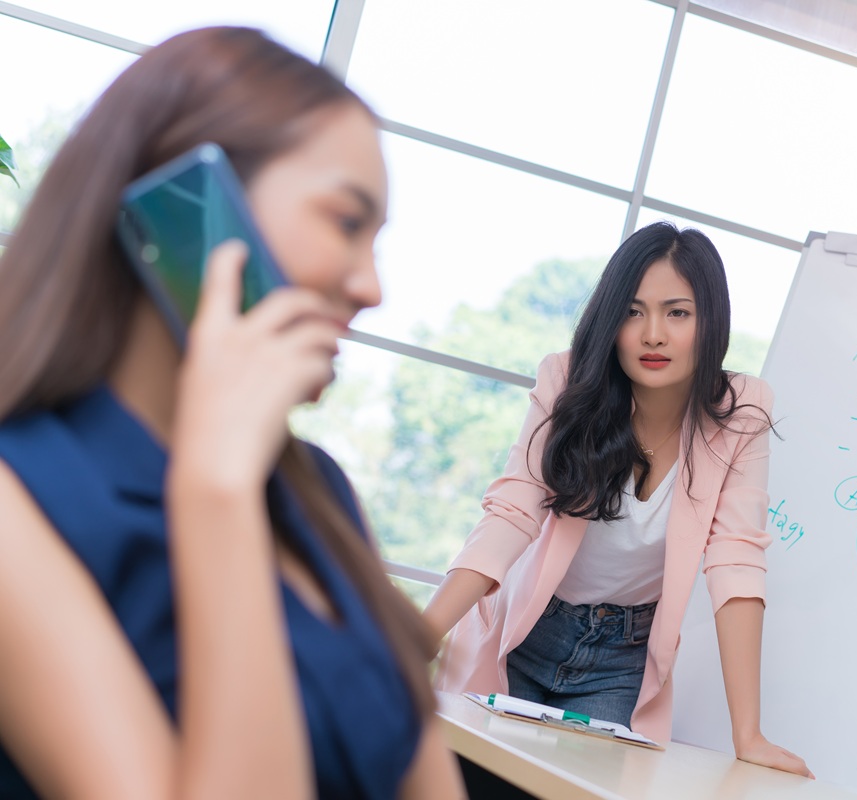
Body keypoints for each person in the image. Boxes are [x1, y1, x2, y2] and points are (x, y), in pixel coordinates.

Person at [0, 27, 464, 799]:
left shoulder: (319, 492)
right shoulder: (20, 503)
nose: (372, 287)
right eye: (347, 223)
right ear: (191, 207)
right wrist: (215, 493)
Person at [425, 221, 814, 777]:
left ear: (710, 322)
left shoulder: (742, 412)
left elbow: (737, 563)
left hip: (622, 659)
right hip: (528, 630)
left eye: (677, 313)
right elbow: (513, 512)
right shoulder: (567, 380)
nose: (653, 334)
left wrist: (747, 736)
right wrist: (414, 638)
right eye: (633, 312)